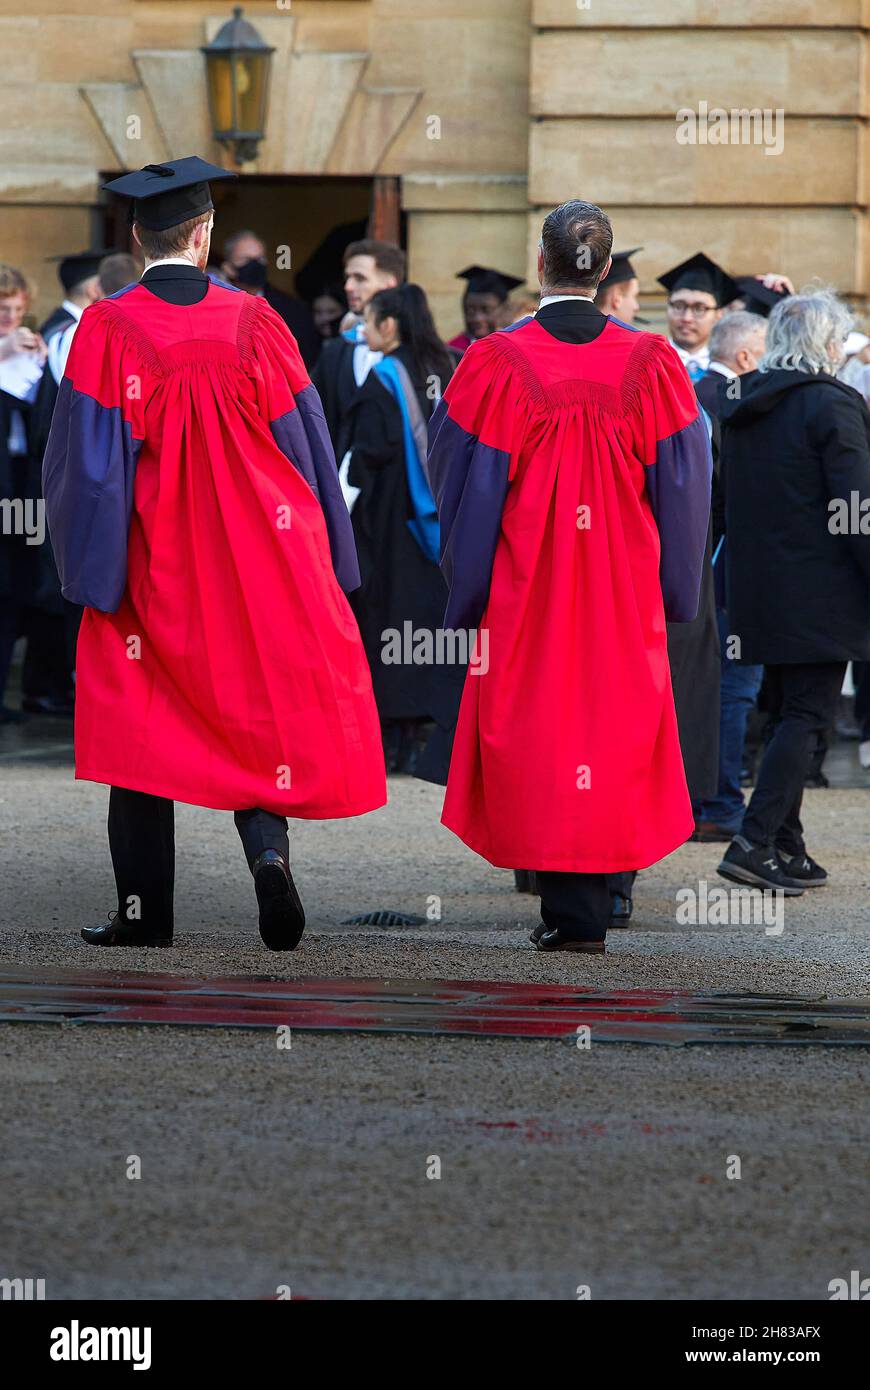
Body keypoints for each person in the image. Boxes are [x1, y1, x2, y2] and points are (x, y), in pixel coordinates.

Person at [43, 156, 386, 950]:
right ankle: (268, 858)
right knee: (254, 715)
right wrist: (331, 557)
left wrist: (90, 572)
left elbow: (88, 470)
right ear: (204, 236)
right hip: (261, 556)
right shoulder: (258, 321)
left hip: (153, 562)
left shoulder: (107, 327)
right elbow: (305, 443)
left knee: (137, 725)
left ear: (137, 237)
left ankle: (144, 915)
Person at [427, 200, 712, 953]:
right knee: (612, 727)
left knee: (539, 729)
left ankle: (570, 909)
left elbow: (461, 482)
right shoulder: (653, 365)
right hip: (621, 584)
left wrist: (468, 584)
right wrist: (678, 586)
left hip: (529, 586)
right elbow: (686, 489)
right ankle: (586, 903)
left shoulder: (493, 362)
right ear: (606, 269)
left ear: (542, 262)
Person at [717, 289, 870, 893]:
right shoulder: (833, 405)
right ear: (829, 345)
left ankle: (786, 843)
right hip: (820, 591)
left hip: (759, 588)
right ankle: (754, 840)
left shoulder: (745, 403)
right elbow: (855, 506)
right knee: (808, 714)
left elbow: (724, 504)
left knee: (785, 714)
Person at [345, 283, 457, 773]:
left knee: (389, 621)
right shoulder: (445, 370)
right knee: (431, 623)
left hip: (391, 526)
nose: (364, 329)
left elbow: (366, 456)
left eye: (369, 320)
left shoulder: (383, 379)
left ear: (389, 325)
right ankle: (426, 734)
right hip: (441, 525)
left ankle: (394, 736)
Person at [690, 312, 768, 843]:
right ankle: (717, 801)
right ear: (745, 358)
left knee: (700, 687)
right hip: (728, 569)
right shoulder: (741, 404)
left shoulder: (689, 394)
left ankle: (700, 798)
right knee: (734, 690)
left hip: (691, 571)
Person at [0, 265, 47, 722]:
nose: (10, 318)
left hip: (20, 488)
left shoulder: (27, 348)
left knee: (17, 586)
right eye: (2, 310)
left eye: (16, 310)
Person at [312, 239, 406, 458]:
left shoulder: (416, 353)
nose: (348, 287)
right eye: (348, 278)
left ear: (389, 284)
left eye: (360, 278)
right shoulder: (335, 351)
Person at [219, 228, 320, 369]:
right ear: (228, 268)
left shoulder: (294, 310)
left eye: (260, 259)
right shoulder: (214, 307)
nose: (255, 265)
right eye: (246, 260)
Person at [658, 252, 741, 381]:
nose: (687, 318)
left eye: (699, 309)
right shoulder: (650, 363)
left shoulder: (730, 371)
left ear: (718, 315)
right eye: (679, 306)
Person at [448, 266, 525, 353]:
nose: (477, 318)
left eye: (486, 310)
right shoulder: (453, 351)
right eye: (470, 310)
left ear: (505, 309)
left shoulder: (517, 350)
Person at [594, 248, 642, 325]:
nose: (636, 307)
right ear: (616, 298)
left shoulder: (575, 334)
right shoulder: (633, 337)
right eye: (633, 296)